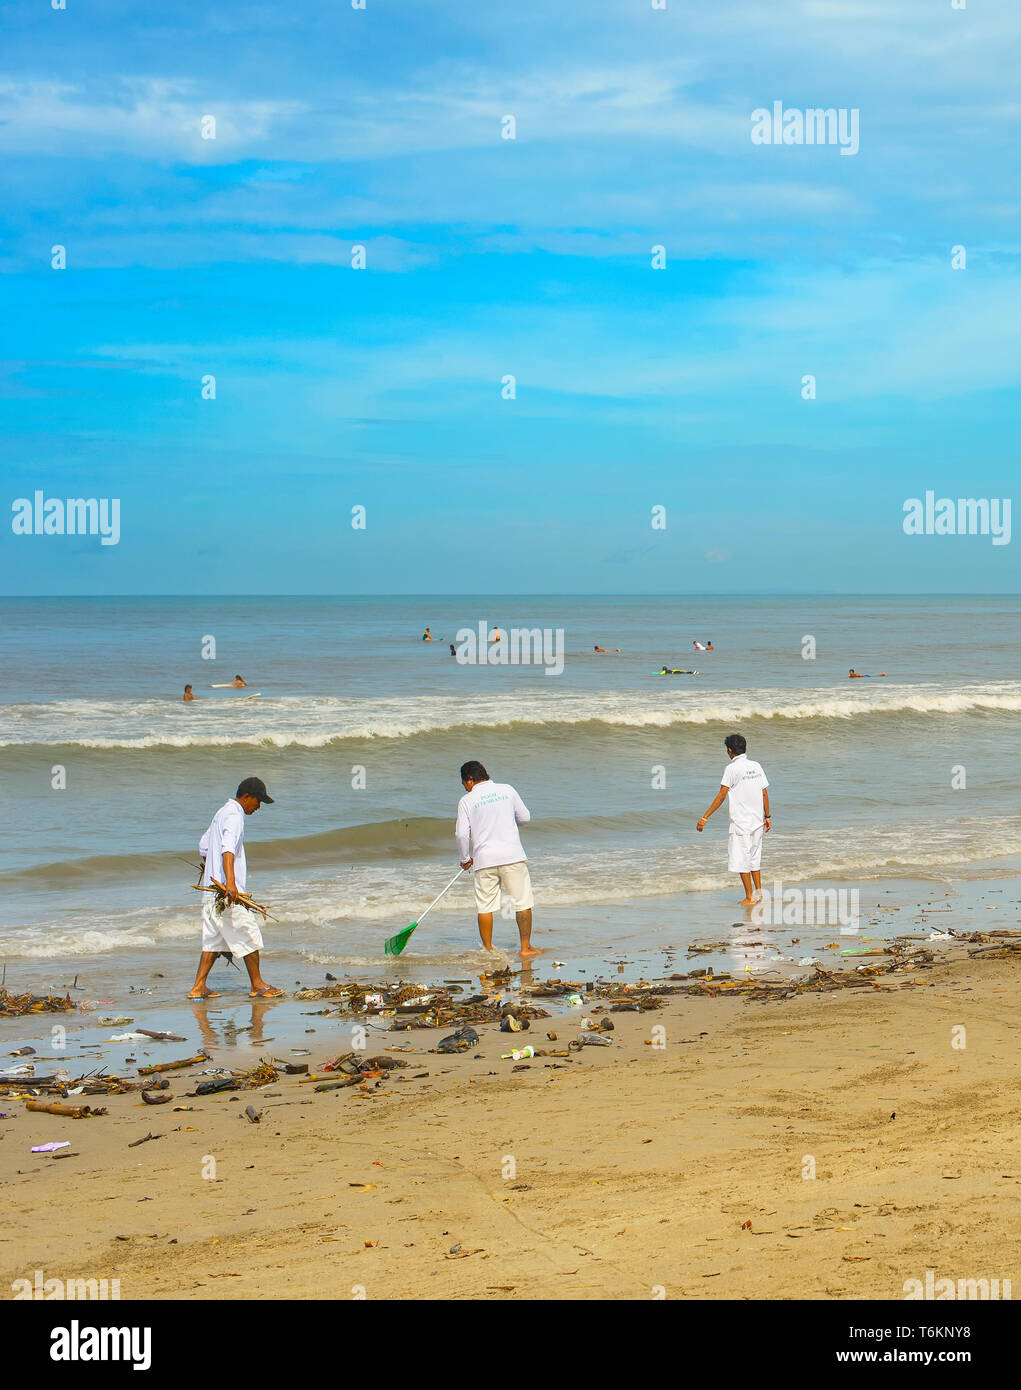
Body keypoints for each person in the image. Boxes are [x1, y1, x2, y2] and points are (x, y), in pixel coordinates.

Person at [188, 776, 284, 1000]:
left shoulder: (221, 813)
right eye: (258, 801)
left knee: (213, 942)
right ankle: (258, 985)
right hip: (226, 893)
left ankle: (198, 987)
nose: (258, 806)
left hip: (212, 891)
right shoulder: (234, 816)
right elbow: (227, 848)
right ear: (246, 797)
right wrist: (230, 882)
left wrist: (212, 868)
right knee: (248, 933)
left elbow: (203, 845)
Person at [455, 760, 540, 958]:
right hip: (512, 856)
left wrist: (464, 857)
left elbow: (461, 834)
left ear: (470, 780)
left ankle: (489, 950)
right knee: (522, 902)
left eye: (464, 784)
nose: (465, 788)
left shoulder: (466, 801)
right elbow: (525, 817)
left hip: (484, 859)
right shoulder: (507, 790)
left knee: (485, 906)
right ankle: (525, 948)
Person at [696, 733, 771, 905]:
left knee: (742, 859)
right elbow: (764, 792)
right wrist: (767, 816)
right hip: (757, 821)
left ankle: (749, 897)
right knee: (754, 858)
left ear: (730, 750)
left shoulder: (731, 769)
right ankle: (758, 894)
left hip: (741, 823)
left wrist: (705, 817)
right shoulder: (756, 766)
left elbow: (722, 795)